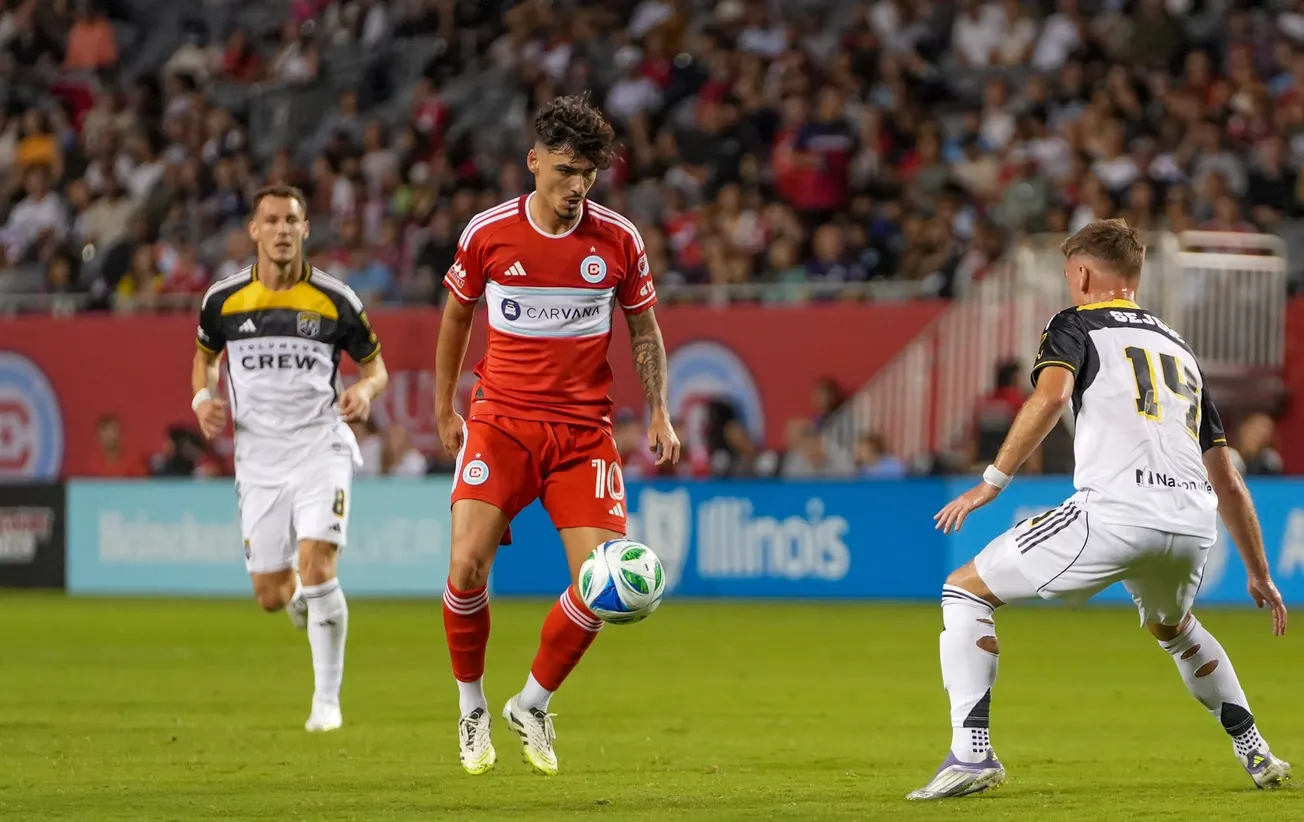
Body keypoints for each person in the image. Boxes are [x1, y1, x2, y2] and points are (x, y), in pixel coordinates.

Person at [910, 218, 1291, 800]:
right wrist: (1258, 571)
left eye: (1069, 275)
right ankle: (1255, 749)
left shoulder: (1075, 323)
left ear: (1083, 274)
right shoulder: (1181, 351)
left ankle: (972, 753)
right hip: (1193, 523)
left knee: (965, 590)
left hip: (1116, 511)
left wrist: (992, 481)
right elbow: (1228, 480)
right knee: (1176, 628)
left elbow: (1053, 394)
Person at [434, 95, 681, 776]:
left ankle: (532, 702)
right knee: (466, 566)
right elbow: (455, 318)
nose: (576, 187)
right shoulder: (488, 233)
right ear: (534, 161)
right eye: (567, 170)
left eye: (589, 175)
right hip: (501, 424)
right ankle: (471, 706)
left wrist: (658, 409)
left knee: (602, 586)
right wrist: (444, 407)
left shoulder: (619, 240)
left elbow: (644, 329)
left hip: (582, 437)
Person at [190, 184, 389, 733]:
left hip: (319, 446)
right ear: (254, 230)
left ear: (305, 230)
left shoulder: (336, 300)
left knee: (320, 564)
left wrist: (365, 393)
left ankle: (327, 701)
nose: (282, 229)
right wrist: (204, 399)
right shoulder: (223, 300)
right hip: (257, 460)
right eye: (271, 220)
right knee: (272, 596)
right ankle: (301, 598)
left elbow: (376, 368)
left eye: (292, 220)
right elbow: (204, 359)